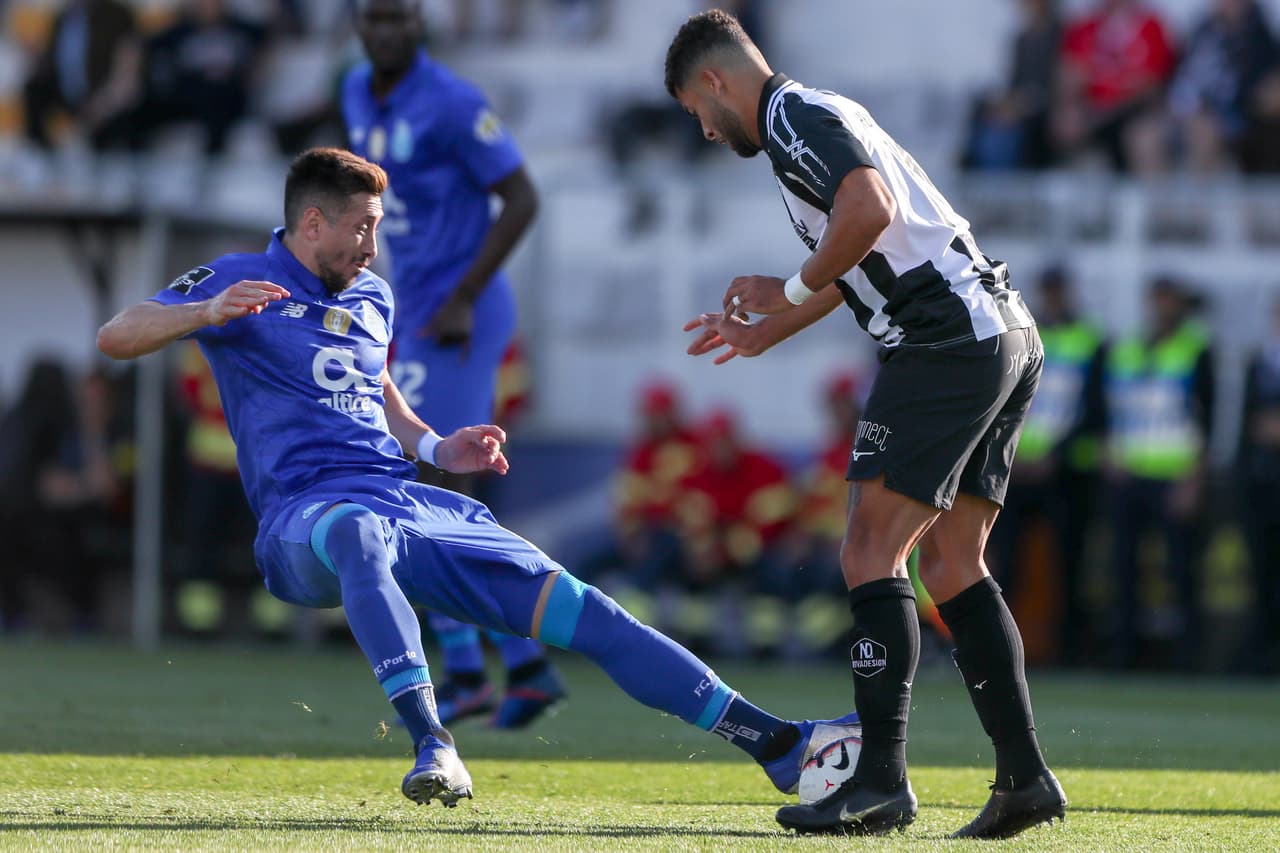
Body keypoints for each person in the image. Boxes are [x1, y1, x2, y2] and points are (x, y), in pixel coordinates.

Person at [95, 146, 859, 807]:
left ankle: (779, 744)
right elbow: (117, 334)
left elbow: (377, 392)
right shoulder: (236, 279)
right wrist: (201, 315)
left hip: (408, 502)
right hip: (303, 518)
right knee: (356, 531)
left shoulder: (372, 296)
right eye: (361, 226)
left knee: (586, 610)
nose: (373, 241)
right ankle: (434, 742)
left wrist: (438, 448)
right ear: (313, 223)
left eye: (378, 225)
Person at [665, 10, 1064, 837]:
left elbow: (870, 209)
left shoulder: (789, 120)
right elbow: (863, 256)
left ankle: (879, 779)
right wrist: (771, 320)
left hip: (946, 341)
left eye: (696, 112)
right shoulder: (817, 114)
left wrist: (792, 286)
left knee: (867, 551)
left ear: (715, 80)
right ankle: (1024, 778)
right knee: (953, 563)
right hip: (1000, 333)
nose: (704, 131)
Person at [341, 0, 562, 729]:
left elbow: (523, 197)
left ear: (421, 25)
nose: (390, 29)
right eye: (377, 17)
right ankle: (485, 670)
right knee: (414, 484)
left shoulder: (455, 102)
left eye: (403, 16)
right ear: (358, 24)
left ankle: (513, 665)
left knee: (443, 483)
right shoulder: (353, 92)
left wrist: (466, 292)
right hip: (413, 308)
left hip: (462, 316)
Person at [985, 266, 1107, 663]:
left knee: (1068, 563)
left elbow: (1095, 410)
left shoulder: (1091, 342)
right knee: (1006, 562)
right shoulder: (1023, 337)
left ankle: (1066, 648)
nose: (1053, 299)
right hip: (1016, 470)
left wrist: (1055, 454)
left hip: (1066, 472)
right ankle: (1002, 648)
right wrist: (1012, 452)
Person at [1105, 278, 1215, 670]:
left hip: (1173, 476)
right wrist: (1113, 454)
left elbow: (1208, 420)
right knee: (1124, 567)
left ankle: (1187, 658)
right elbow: (1116, 409)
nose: (1163, 307)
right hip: (1130, 475)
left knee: (1180, 570)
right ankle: (1124, 656)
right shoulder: (1130, 348)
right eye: (1158, 299)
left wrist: (1193, 480)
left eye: (1170, 300)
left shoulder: (1196, 350)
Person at [1053, 0, 1176, 173]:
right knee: (1066, 123)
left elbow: (1151, 83)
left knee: (1145, 137)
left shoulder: (1151, 26)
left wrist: (1111, 107)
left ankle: (1154, 199)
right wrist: (1070, 105)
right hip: (1093, 111)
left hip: (1137, 111)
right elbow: (1070, 74)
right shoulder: (1086, 27)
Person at [1238, 296, 1280, 674]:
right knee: (1261, 573)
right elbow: (1247, 426)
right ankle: (1261, 655)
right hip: (1262, 483)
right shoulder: (1260, 361)